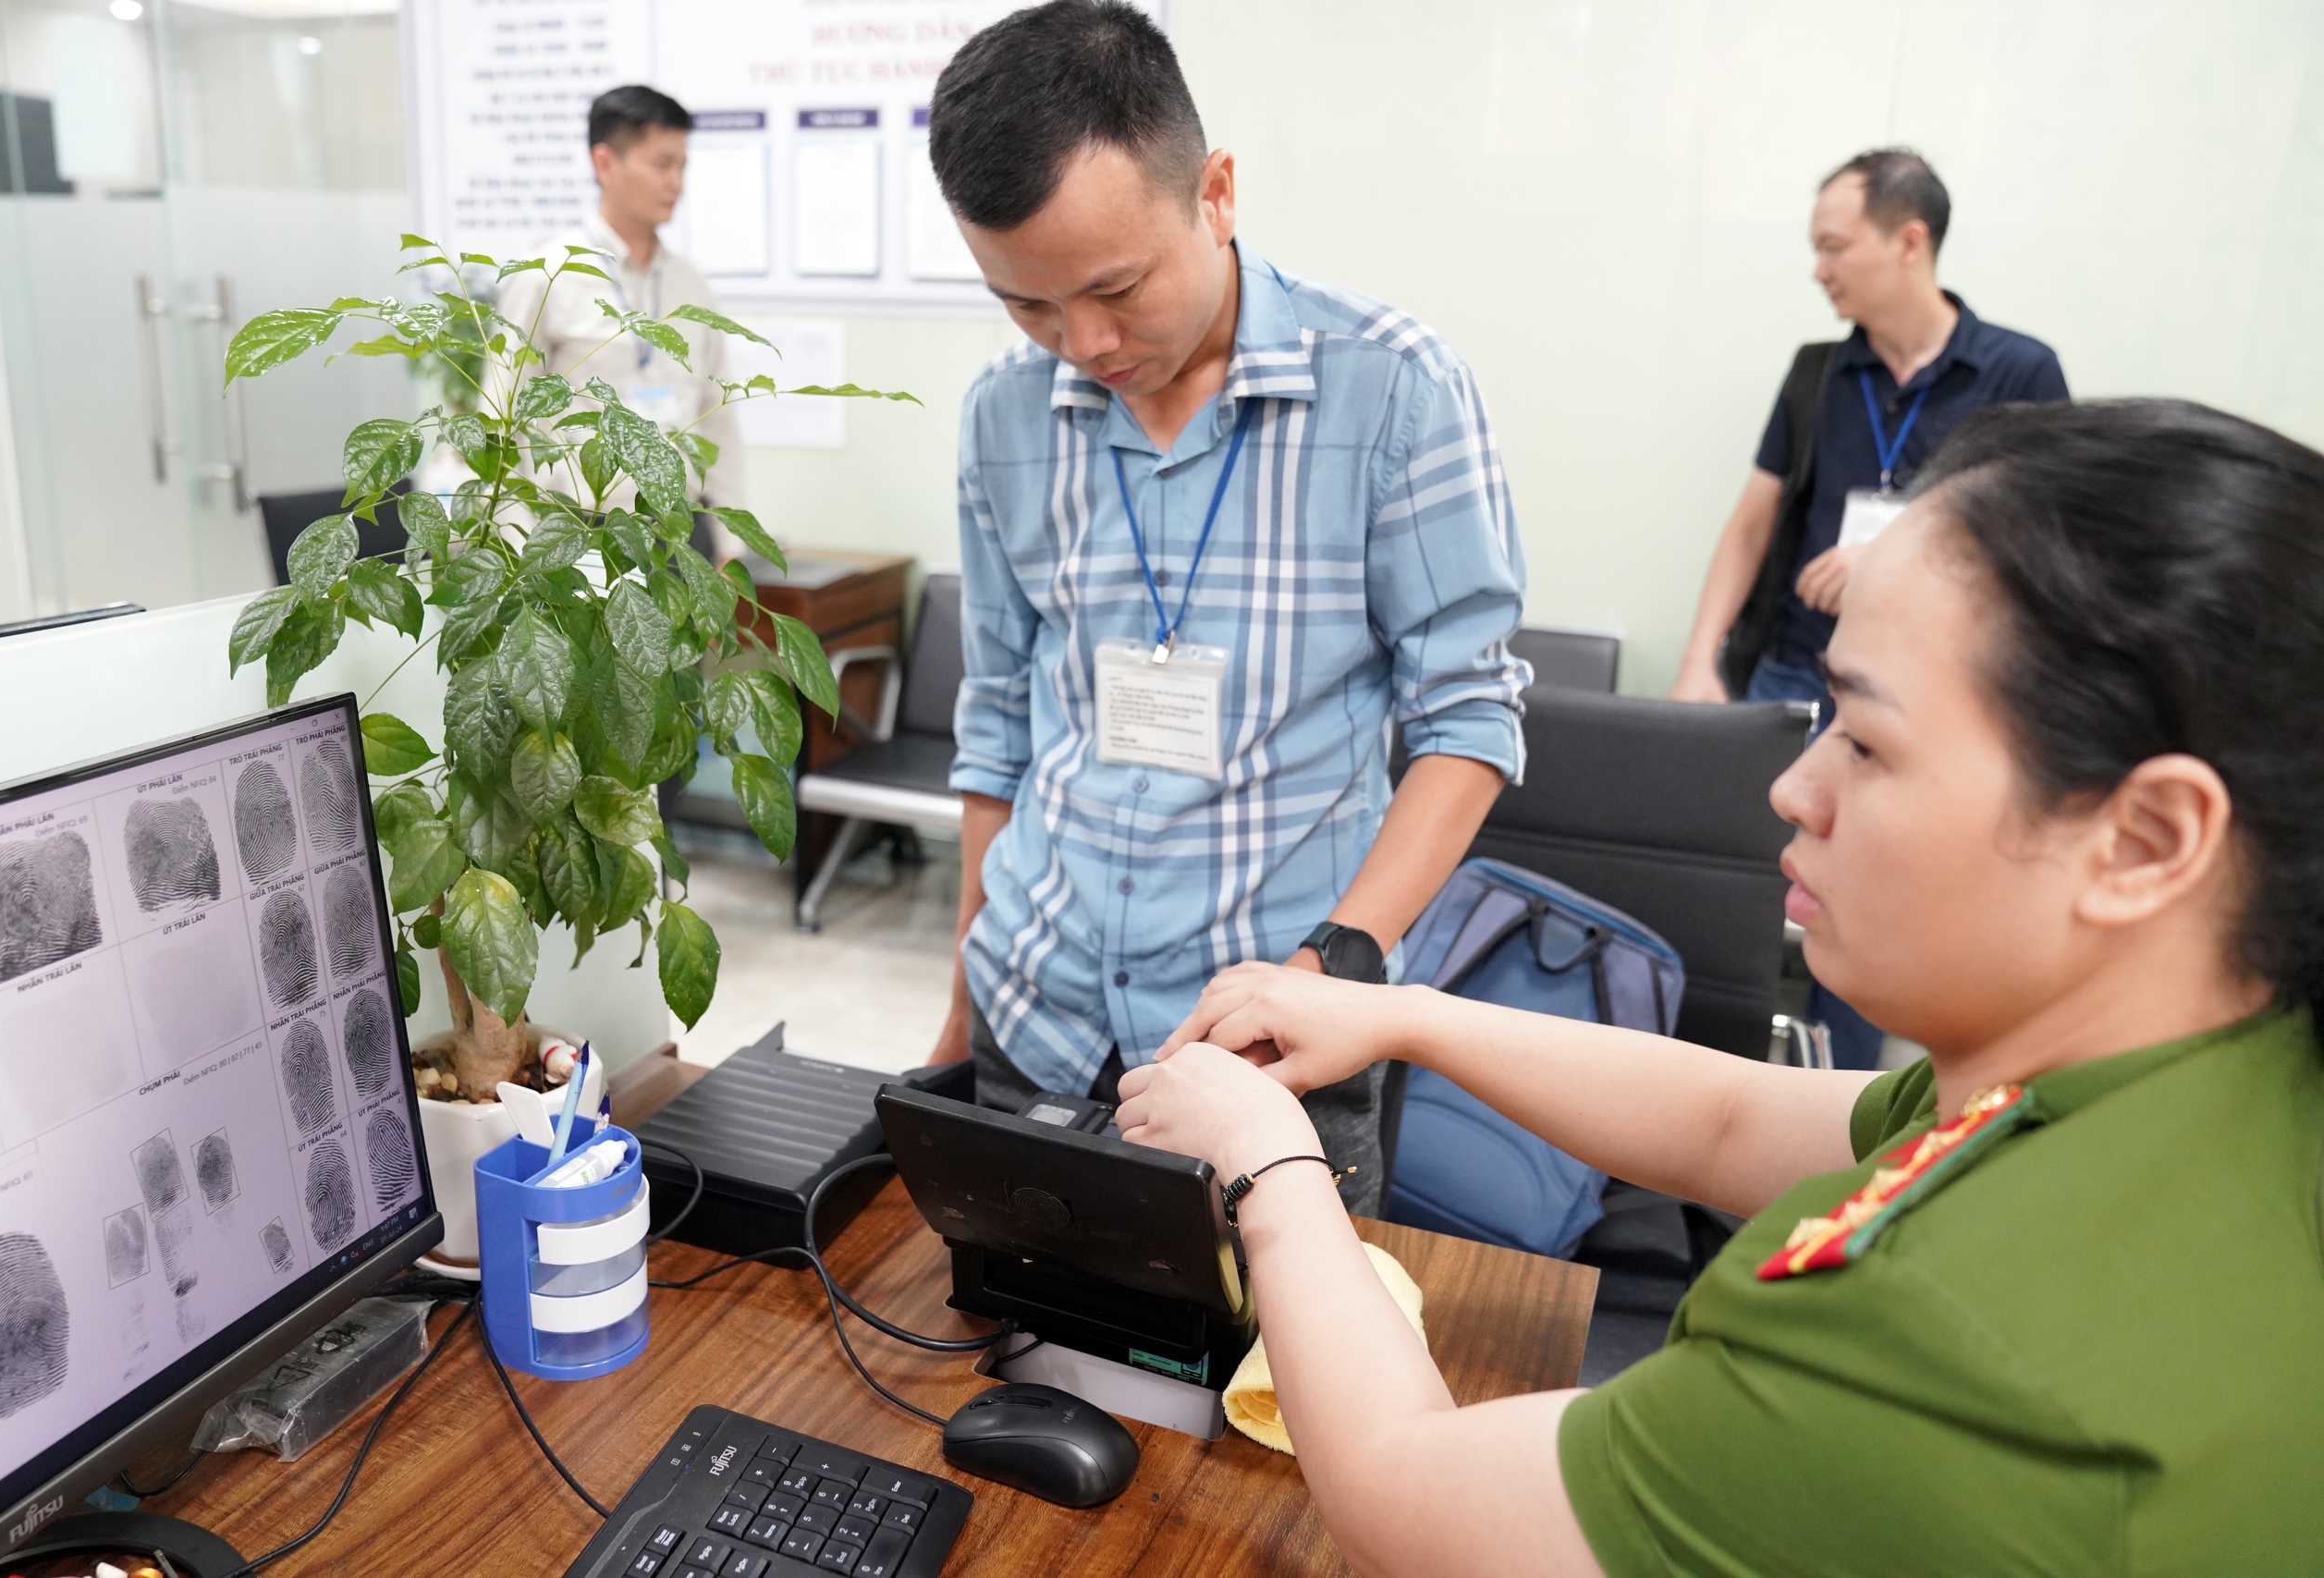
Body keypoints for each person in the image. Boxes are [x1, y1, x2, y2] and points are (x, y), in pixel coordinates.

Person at [1117, 399, 2324, 1575]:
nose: (1793, 789)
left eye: (1867, 740)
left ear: (2147, 840)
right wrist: (1403, 1014)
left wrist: (1268, 1163)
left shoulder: (1928, 1339)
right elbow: (1733, 1119)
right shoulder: (2186, 1077)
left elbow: (1400, 1499)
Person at [923, 0, 1532, 1209]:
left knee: (1280, 1333)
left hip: (1274, 1036)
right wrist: (960, 1002)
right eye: (1027, 305)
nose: (1083, 341)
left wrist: (1327, 969)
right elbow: (997, 723)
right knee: (1014, 1322)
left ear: (1216, 193)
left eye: (1116, 287)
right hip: (1034, 1011)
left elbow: (1467, 723)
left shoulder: (1394, 389)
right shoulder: (1003, 416)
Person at [1670, 148, 2066, 1070]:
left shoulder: (2017, 371)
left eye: (1834, 246)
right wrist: (1700, 660)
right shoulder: (1818, 373)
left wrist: (1895, 557)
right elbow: (1750, 525)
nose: (1819, 269)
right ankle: (1715, 1091)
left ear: (1908, 241)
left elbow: (2042, 544)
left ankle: (1838, 1103)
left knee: (1863, 909)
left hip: (1919, 696)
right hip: (1790, 668)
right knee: (1741, 891)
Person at [494, 84, 748, 515]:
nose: (676, 183)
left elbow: (717, 421)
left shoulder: (690, 285)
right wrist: (522, 549)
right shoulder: (547, 275)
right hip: (577, 532)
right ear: (605, 163)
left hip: (678, 527)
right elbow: (502, 421)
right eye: (662, 164)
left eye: (682, 166)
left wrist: (729, 540)